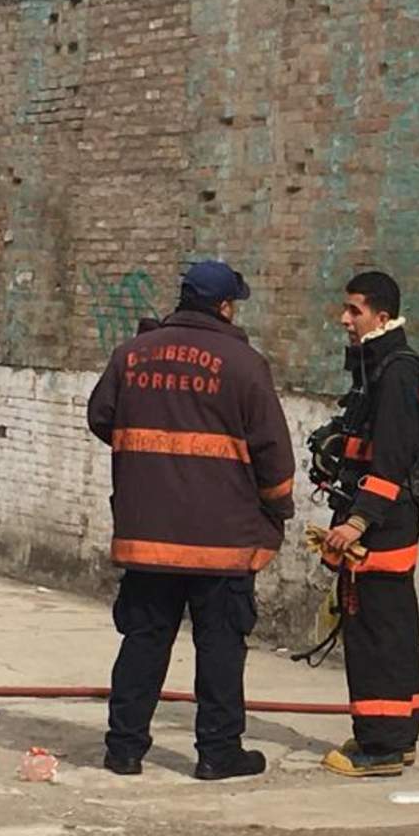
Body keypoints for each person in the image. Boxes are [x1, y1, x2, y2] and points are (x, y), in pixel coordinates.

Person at [86, 260, 295, 781]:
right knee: (220, 646)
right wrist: (277, 511)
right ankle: (218, 753)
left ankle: (124, 749)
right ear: (225, 307)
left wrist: (148, 461)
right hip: (220, 541)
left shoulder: (131, 354)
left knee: (144, 640)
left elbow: (101, 417)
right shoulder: (245, 364)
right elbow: (273, 456)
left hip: (147, 536)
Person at [316, 271, 419, 778]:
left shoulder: (396, 374)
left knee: (375, 635)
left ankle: (381, 746)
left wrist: (358, 522)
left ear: (381, 316)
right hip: (385, 522)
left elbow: (392, 459)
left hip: (381, 528)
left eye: (355, 310)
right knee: (392, 629)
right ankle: (397, 736)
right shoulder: (381, 368)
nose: (345, 319)